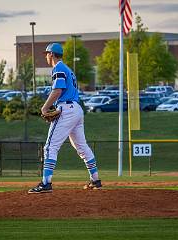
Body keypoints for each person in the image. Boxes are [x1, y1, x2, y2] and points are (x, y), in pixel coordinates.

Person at [28, 43, 102, 194]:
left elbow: (57, 90)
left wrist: (44, 107)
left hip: (66, 109)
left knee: (50, 146)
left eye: (47, 53)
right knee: (82, 146)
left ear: (52, 54)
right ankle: (95, 180)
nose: (46, 56)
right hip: (76, 109)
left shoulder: (59, 68)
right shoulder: (68, 69)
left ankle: (46, 183)